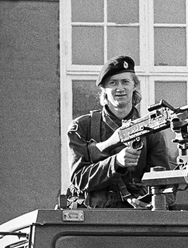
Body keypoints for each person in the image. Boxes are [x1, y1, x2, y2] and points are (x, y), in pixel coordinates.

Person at [66, 55, 171, 209]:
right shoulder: (82, 127)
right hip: (94, 218)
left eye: (125, 82)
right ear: (104, 89)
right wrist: (116, 162)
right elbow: (79, 179)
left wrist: (154, 204)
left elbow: (165, 182)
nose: (120, 88)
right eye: (113, 83)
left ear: (134, 86)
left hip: (137, 218)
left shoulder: (151, 132)